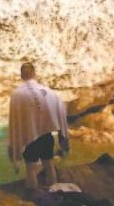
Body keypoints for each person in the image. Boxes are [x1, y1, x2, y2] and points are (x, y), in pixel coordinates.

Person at [8, 62, 69, 190]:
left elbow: (14, 121)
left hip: (29, 139)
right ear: (34, 74)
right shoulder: (48, 92)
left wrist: (13, 145)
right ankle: (55, 192)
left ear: (21, 75)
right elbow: (60, 110)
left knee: (30, 169)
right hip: (46, 136)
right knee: (49, 166)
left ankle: (34, 195)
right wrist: (62, 135)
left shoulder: (17, 95)